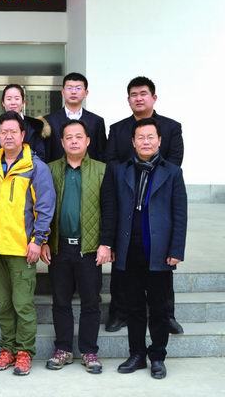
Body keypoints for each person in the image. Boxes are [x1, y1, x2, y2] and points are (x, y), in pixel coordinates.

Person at [103, 118, 187, 379]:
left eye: (151, 137)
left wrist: (176, 249)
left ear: (159, 141)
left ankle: (158, 356)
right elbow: (111, 210)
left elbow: (180, 214)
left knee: (159, 309)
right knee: (134, 307)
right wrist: (110, 243)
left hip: (159, 252)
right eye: (141, 137)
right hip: (129, 250)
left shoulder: (172, 172)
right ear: (133, 142)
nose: (146, 142)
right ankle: (137, 354)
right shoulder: (120, 170)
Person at [105, 76, 184, 335]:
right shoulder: (118, 129)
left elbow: (174, 161)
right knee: (123, 264)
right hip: (126, 196)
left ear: (154, 97)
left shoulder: (171, 127)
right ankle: (119, 312)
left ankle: (166, 315)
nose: (138, 98)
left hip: (159, 197)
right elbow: (110, 160)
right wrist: (130, 174)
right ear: (128, 99)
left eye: (143, 93)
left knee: (162, 266)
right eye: (133, 94)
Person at [0, 111, 55, 376]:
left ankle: (24, 352)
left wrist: (38, 240)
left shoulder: (35, 167)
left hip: (22, 249)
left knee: (23, 305)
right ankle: (7, 349)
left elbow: (45, 207)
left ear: (23, 135)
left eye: (13, 131)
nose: (8, 136)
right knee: (3, 305)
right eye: (3, 132)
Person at [41, 120, 112, 374]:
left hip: (90, 248)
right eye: (68, 137)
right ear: (61, 142)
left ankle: (89, 351)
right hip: (59, 247)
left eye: (78, 136)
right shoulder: (50, 170)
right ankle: (63, 349)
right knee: (60, 300)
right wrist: (44, 241)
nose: (73, 141)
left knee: (91, 301)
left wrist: (106, 243)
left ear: (88, 141)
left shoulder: (102, 170)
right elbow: (42, 208)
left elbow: (109, 209)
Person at [0, 83, 50, 164]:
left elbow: (41, 157)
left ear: (23, 102)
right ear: (3, 103)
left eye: (17, 98)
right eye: (9, 99)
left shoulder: (36, 125)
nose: (13, 102)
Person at [44, 72, 107, 162]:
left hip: (89, 170)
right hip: (56, 170)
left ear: (86, 93)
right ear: (63, 92)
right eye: (69, 88)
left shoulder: (96, 121)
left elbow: (101, 154)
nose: (73, 92)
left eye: (78, 88)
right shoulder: (49, 120)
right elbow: (46, 154)